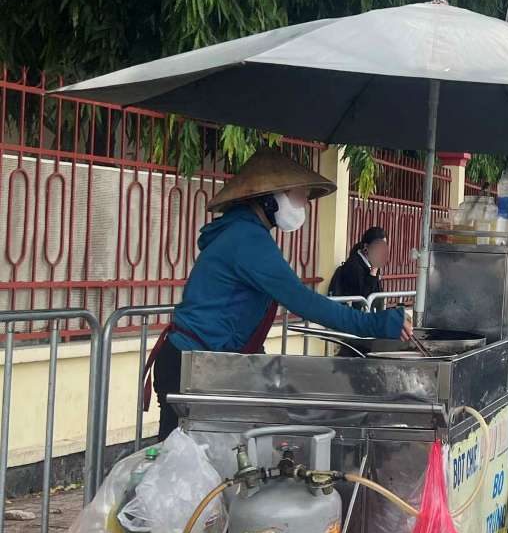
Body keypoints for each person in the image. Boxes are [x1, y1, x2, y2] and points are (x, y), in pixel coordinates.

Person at [146, 149, 411, 440]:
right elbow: (303, 300)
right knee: (182, 472)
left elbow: (237, 314)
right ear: (269, 199)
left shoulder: (242, 232)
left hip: (204, 362)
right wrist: (377, 325)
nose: (303, 207)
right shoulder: (247, 240)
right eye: (299, 197)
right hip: (192, 367)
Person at [329, 226, 388, 305]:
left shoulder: (371, 263)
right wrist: (373, 271)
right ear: (366, 247)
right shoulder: (353, 265)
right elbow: (364, 298)